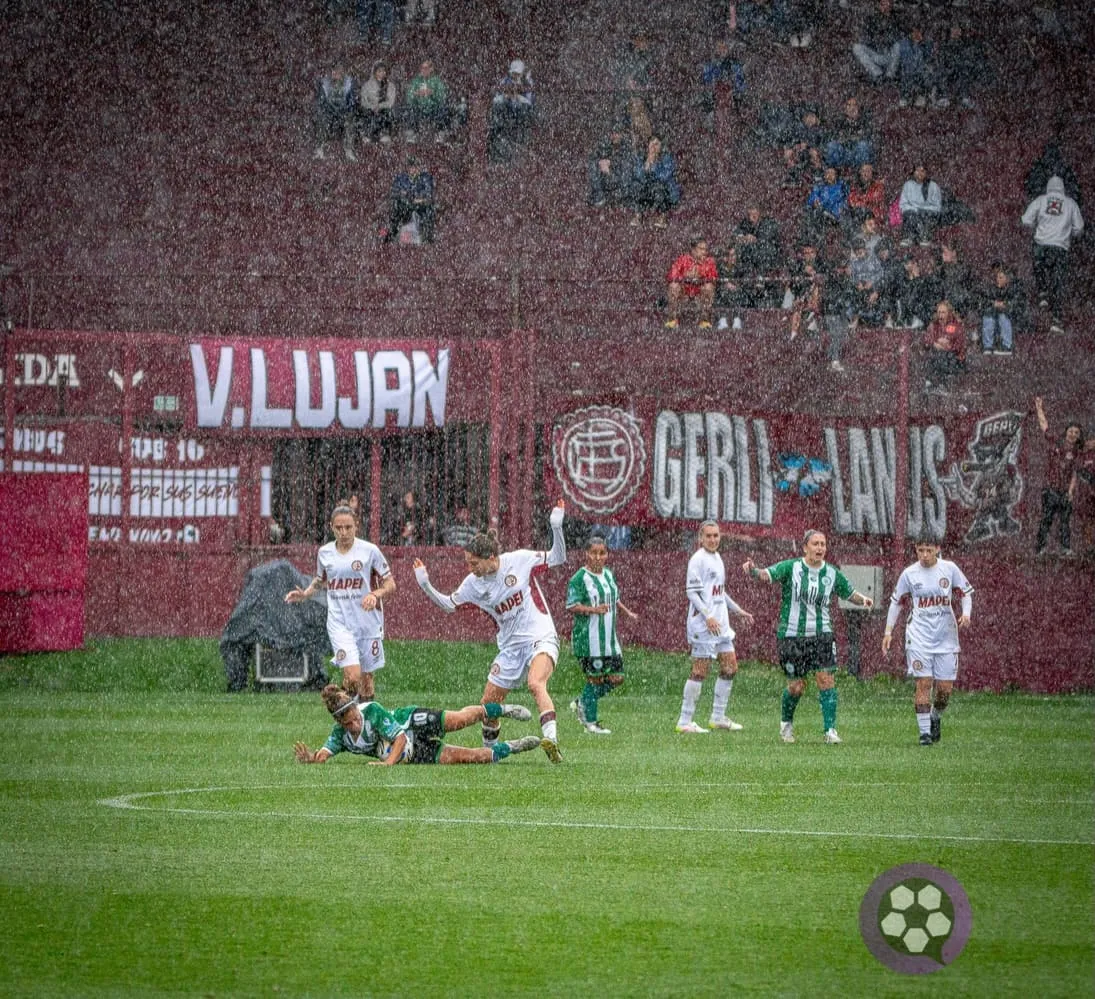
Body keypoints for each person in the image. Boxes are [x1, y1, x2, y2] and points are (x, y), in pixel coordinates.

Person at [413, 501, 568, 763]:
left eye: (474, 563)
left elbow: (558, 557)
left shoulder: (518, 561)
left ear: (491, 558)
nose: (470, 568)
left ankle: (551, 741)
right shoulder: (473, 584)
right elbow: (449, 605)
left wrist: (556, 526)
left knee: (535, 683)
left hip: (540, 636)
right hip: (509, 648)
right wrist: (425, 584)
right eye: (468, 563)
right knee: (488, 706)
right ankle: (491, 754)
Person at [742, 529, 873, 744]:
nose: (820, 548)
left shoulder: (831, 573)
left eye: (823, 544)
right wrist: (753, 571)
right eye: (815, 544)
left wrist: (864, 600)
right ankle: (786, 724)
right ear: (805, 547)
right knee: (797, 686)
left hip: (822, 635)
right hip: (792, 636)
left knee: (826, 679)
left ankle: (830, 730)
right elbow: (767, 574)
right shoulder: (791, 567)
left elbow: (848, 593)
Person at [285, 504, 396, 701]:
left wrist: (375, 594)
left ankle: (363, 724)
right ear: (331, 527)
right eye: (338, 528)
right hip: (339, 623)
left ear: (356, 526)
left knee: (366, 679)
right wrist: (306, 594)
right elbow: (321, 579)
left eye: (348, 527)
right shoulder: (325, 553)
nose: (343, 532)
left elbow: (390, 584)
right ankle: (342, 714)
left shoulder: (370, 551)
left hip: (368, 622)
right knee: (353, 676)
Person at [293, 684, 541, 765]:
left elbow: (399, 738)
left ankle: (503, 709)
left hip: (410, 721)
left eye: (356, 713)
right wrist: (312, 758)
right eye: (350, 720)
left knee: (460, 720)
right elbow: (323, 755)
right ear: (339, 721)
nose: (356, 719)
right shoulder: (341, 736)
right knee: (465, 757)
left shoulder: (373, 712)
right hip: (409, 752)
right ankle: (513, 747)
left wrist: (388, 764)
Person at [881, 537, 973, 746]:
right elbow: (895, 603)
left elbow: (966, 593)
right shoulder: (909, 573)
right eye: (920, 550)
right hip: (919, 636)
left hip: (946, 637)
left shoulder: (949, 569)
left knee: (944, 690)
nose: (924, 555)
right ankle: (924, 735)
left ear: (937, 549)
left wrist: (966, 614)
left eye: (928, 550)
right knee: (923, 683)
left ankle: (935, 716)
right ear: (916, 550)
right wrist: (888, 632)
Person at [677, 521, 754, 734]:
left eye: (716, 535)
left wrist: (738, 610)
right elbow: (692, 592)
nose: (713, 539)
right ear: (700, 538)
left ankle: (718, 717)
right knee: (700, 670)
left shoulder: (718, 558)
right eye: (708, 536)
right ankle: (684, 721)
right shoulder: (698, 560)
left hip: (721, 624)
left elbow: (719, 592)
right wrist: (708, 616)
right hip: (703, 624)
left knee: (730, 667)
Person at [566, 535, 638, 735]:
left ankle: (583, 701)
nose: (598, 557)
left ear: (607, 555)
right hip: (589, 641)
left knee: (617, 677)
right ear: (586, 554)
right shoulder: (579, 578)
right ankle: (591, 723)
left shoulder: (608, 574)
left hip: (609, 641)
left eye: (602, 553)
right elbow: (572, 606)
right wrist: (594, 610)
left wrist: (626, 612)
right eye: (594, 553)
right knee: (595, 680)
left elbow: (614, 598)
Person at [1021, 176, 1084, 334]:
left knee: (1039, 268)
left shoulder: (1040, 200)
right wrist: (1068, 233)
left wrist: (1039, 225)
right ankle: (1056, 320)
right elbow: (1079, 228)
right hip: (1060, 248)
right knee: (1058, 283)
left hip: (1041, 245)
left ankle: (1042, 294)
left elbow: (1026, 220)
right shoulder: (1071, 204)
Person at [1033, 396, 1084, 557]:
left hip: (1064, 491)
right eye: (1071, 431)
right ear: (1066, 431)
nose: (1073, 434)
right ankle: (1040, 549)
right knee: (1046, 519)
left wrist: (1070, 491)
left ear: (1079, 435)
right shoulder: (1056, 441)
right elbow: (1044, 426)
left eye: (1076, 432)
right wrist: (1039, 408)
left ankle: (1065, 548)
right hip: (1050, 489)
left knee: (1065, 522)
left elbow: (1075, 473)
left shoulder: (1077, 452)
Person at [628, 135, 680, 228]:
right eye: (651, 144)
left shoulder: (667, 158)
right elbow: (638, 176)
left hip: (665, 191)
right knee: (637, 186)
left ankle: (662, 217)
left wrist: (654, 165)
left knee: (659, 187)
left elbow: (664, 177)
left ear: (661, 146)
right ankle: (638, 216)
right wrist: (647, 165)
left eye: (656, 144)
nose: (653, 147)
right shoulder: (642, 158)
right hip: (649, 191)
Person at [665, 237, 718, 330]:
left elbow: (713, 278)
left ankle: (705, 321)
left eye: (705, 249)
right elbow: (671, 276)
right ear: (693, 250)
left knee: (709, 287)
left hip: (699, 294)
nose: (704, 252)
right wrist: (685, 277)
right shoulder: (683, 260)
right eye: (701, 249)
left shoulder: (709, 261)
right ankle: (673, 320)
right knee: (673, 286)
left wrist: (701, 274)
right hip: (684, 293)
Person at [489, 59, 535, 163]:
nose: (515, 76)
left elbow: (530, 101)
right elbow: (496, 99)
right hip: (506, 113)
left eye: (518, 73)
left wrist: (518, 97)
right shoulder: (505, 81)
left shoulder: (527, 82)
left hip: (521, 114)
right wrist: (506, 96)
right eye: (514, 73)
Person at [382, 159, 436, 245]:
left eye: (416, 167)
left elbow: (427, 194)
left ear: (419, 168)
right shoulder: (401, 178)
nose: (414, 170)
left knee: (427, 212)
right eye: (412, 167)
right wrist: (409, 197)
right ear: (408, 168)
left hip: (421, 206)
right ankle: (390, 238)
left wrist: (414, 197)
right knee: (397, 212)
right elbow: (396, 192)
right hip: (405, 206)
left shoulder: (426, 178)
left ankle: (427, 239)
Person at [979, 262, 1028, 356]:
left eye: (1001, 277)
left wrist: (1005, 305)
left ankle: (1007, 346)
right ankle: (987, 346)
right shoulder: (993, 288)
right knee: (988, 316)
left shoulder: (1015, 287)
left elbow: (1017, 304)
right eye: (997, 277)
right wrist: (994, 304)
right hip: (996, 318)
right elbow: (984, 301)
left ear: (1007, 278)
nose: (998, 280)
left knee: (1003, 315)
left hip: (1013, 318)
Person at [313, 66, 358, 161]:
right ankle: (319, 148)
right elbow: (321, 102)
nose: (336, 74)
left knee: (350, 120)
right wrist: (329, 109)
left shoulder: (349, 84)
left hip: (343, 112)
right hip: (329, 112)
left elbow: (352, 102)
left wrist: (344, 109)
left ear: (342, 72)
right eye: (334, 71)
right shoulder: (324, 84)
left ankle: (348, 149)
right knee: (321, 118)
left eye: (338, 71)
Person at [922, 300, 967, 394]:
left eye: (943, 312)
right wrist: (935, 344)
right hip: (938, 355)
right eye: (939, 312)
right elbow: (926, 339)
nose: (940, 315)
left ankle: (942, 386)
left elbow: (959, 346)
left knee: (942, 356)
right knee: (932, 356)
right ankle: (930, 384)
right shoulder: (934, 325)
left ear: (949, 313)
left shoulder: (957, 325)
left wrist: (946, 346)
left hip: (955, 359)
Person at [403, 59, 452, 144]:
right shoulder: (416, 81)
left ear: (431, 69)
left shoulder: (437, 81)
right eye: (422, 68)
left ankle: (440, 134)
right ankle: (411, 134)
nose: (423, 70)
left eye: (426, 68)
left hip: (433, 108)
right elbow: (409, 96)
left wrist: (432, 93)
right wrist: (416, 94)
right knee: (410, 109)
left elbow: (442, 96)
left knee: (444, 109)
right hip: (419, 108)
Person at [899, 165, 943, 247]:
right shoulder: (908, 185)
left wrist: (921, 210)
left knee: (923, 215)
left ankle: (924, 237)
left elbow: (937, 207)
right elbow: (903, 204)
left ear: (926, 173)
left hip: (927, 214)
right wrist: (915, 210)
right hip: (912, 213)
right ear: (914, 172)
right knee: (910, 214)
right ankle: (910, 238)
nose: (920, 173)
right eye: (917, 170)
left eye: (922, 171)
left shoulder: (933, 186)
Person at [358, 60, 397, 145]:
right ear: (375, 72)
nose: (382, 73)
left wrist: (379, 106)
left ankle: (384, 133)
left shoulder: (390, 86)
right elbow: (364, 101)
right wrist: (372, 107)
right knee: (367, 113)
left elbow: (390, 102)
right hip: (370, 109)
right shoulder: (367, 85)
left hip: (384, 109)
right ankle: (368, 134)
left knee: (386, 113)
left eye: (383, 71)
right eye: (379, 71)